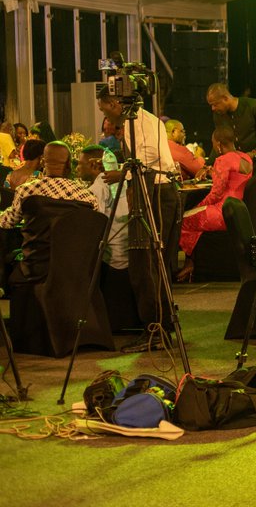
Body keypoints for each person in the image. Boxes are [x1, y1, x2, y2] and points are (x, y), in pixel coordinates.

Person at [98, 91, 183, 352]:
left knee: (144, 264)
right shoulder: (147, 119)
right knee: (156, 265)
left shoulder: (137, 123)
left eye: (105, 110)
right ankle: (162, 326)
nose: (105, 117)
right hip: (162, 192)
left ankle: (155, 329)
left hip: (153, 193)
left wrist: (119, 173)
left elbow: (145, 164)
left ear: (115, 104)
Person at [0, 141, 98, 285]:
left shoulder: (26, 191)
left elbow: (6, 222)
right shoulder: (88, 197)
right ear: (69, 164)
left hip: (35, 270)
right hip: (73, 269)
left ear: (43, 162)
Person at [175, 127, 254, 282]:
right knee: (194, 218)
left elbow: (216, 193)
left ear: (218, 144)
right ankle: (193, 263)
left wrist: (199, 205)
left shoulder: (222, 160)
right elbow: (233, 179)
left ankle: (189, 263)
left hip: (221, 211)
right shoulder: (246, 158)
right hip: (237, 211)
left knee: (184, 220)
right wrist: (213, 172)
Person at [78, 145, 130, 278]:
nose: (77, 168)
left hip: (111, 260)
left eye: (80, 164)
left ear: (94, 165)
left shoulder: (98, 186)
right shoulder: (122, 180)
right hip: (127, 255)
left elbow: (94, 226)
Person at [206, 82, 256, 179]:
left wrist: (255, 153)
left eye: (215, 104)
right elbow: (219, 142)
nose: (213, 109)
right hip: (240, 171)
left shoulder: (253, 105)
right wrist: (206, 166)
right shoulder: (218, 115)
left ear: (225, 98)